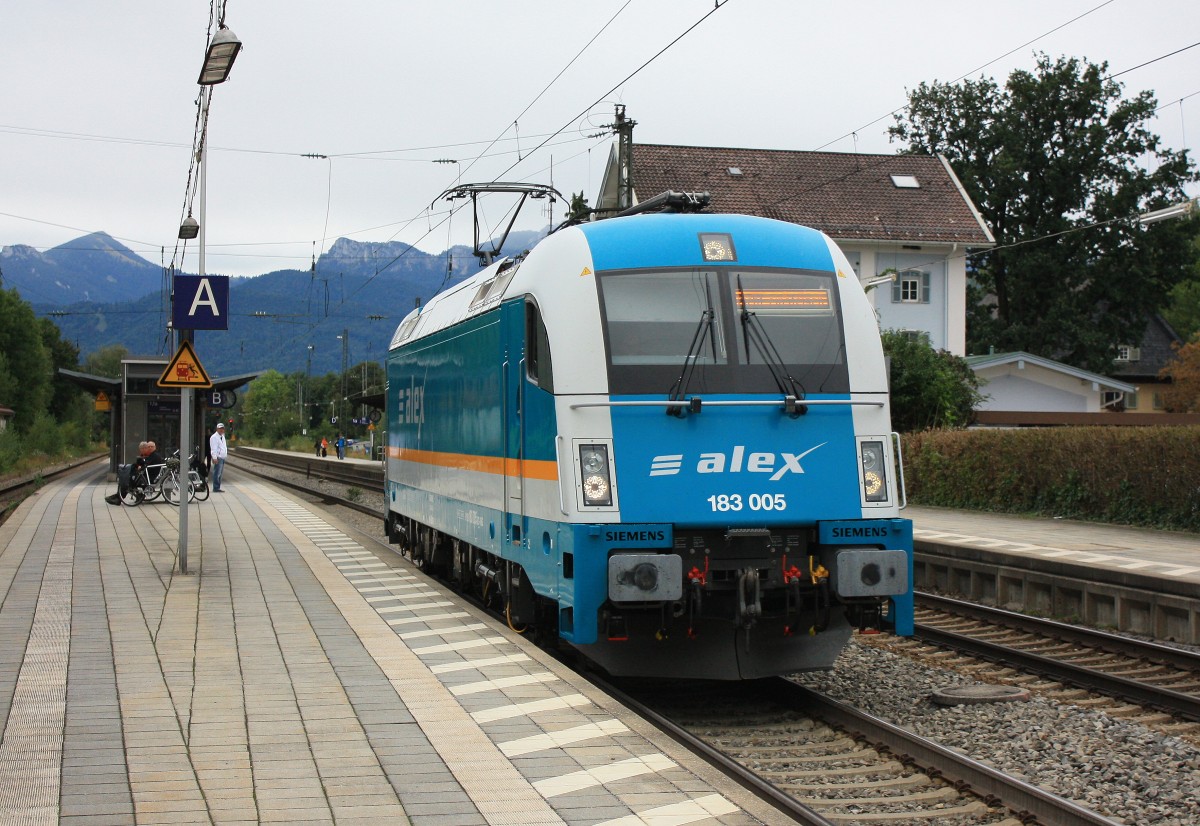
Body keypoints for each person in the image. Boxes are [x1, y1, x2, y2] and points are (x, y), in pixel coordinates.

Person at [209, 422, 228, 492]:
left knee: (220, 473)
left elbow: (223, 446)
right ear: (217, 429)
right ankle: (216, 487)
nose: (221, 430)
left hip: (222, 457)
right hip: (218, 457)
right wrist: (214, 457)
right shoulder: (214, 437)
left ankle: (218, 487)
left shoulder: (223, 436)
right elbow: (213, 448)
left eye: (222, 429)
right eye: (220, 429)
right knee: (217, 473)